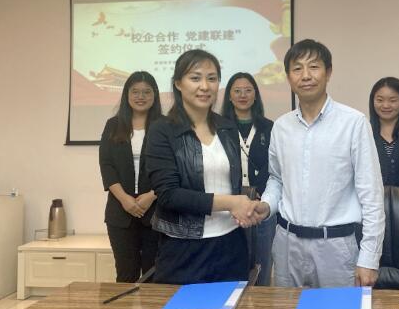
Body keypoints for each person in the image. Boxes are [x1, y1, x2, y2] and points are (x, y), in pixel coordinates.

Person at [253, 39, 385, 288]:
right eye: (297, 68)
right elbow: (277, 178)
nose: (306, 75)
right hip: (286, 243)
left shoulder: (353, 123)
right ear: (288, 77)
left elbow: (371, 195)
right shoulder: (281, 126)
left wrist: (369, 257)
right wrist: (267, 205)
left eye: (313, 67)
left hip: (335, 247)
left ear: (328, 72)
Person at [146, 50, 258, 284]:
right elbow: (168, 195)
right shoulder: (162, 130)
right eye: (195, 78)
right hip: (183, 248)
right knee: (180, 308)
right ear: (178, 83)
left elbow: (230, 183)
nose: (205, 86)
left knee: (231, 307)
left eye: (212, 78)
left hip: (231, 243)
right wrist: (231, 202)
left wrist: (246, 206)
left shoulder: (227, 127)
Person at [99, 71, 162, 282]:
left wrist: (152, 195)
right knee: (126, 274)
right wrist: (124, 199)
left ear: (155, 95)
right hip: (120, 212)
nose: (140, 96)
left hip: (156, 211)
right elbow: (106, 165)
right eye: (135, 91)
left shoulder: (166, 126)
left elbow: (173, 167)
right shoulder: (113, 125)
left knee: (154, 276)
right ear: (127, 94)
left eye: (146, 92)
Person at [221, 72, 275, 286]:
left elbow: (273, 165)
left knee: (262, 263)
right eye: (237, 91)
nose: (242, 95)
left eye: (248, 90)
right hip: (229, 206)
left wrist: (260, 193)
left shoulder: (269, 127)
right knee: (232, 265)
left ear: (255, 95)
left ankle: (262, 303)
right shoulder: (220, 128)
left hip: (261, 203)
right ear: (229, 96)